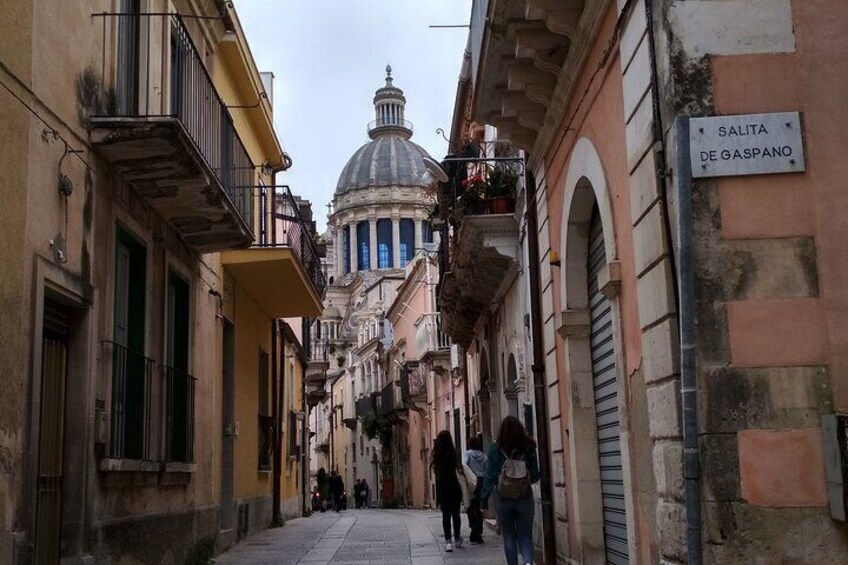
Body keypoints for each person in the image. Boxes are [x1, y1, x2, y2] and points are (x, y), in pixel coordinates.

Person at [480, 416, 540, 565]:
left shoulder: (496, 448)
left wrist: (483, 499)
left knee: (509, 535)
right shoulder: (529, 446)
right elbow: (535, 474)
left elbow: (489, 475)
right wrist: (523, 481)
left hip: (503, 498)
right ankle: (527, 562)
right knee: (525, 535)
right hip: (524, 496)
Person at [431, 430, 464, 552]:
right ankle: (457, 538)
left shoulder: (437, 455)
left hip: (442, 486)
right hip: (453, 485)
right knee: (456, 514)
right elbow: (458, 468)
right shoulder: (453, 453)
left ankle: (448, 541)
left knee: (446, 515)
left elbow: (436, 471)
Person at [463, 435, 488, 544]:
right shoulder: (485, 457)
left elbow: (464, 465)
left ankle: (474, 530)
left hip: (472, 482)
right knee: (480, 508)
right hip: (482, 482)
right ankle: (478, 533)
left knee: (470, 507)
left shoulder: (468, 454)